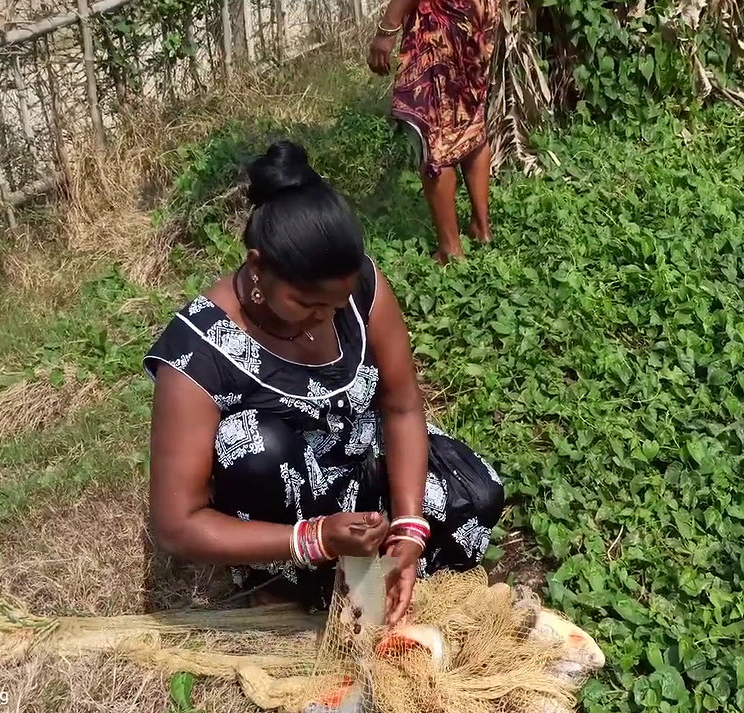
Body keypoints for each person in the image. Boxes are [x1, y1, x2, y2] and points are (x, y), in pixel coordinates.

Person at [144, 141, 505, 625]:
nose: (324, 318)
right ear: (257, 268)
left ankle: (365, 564)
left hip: (355, 462)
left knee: (478, 496)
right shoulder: (198, 351)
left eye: (336, 305)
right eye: (306, 304)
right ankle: (281, 578)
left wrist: (408, 528)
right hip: (280, 504)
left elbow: (400, 407)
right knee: (251, 446)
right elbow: (175, 524)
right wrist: (313, 538)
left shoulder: (360, 289)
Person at [367, 0, 498, 263]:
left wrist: (387, 30)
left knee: (433, 134)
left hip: (441, 25)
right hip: (477, 15)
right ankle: (482, 228)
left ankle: (450, 249)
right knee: (468, 120)